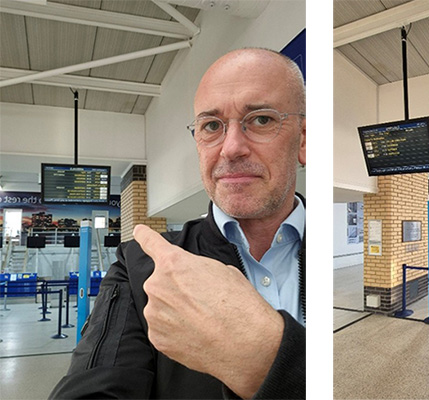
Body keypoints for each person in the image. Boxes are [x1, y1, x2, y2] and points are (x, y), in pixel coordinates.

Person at [50, 48, 306, 399]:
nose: (231, 148)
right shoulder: (143, 265)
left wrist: (265, 361)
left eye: (261, 119)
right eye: (212, 126)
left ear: (304, 140)